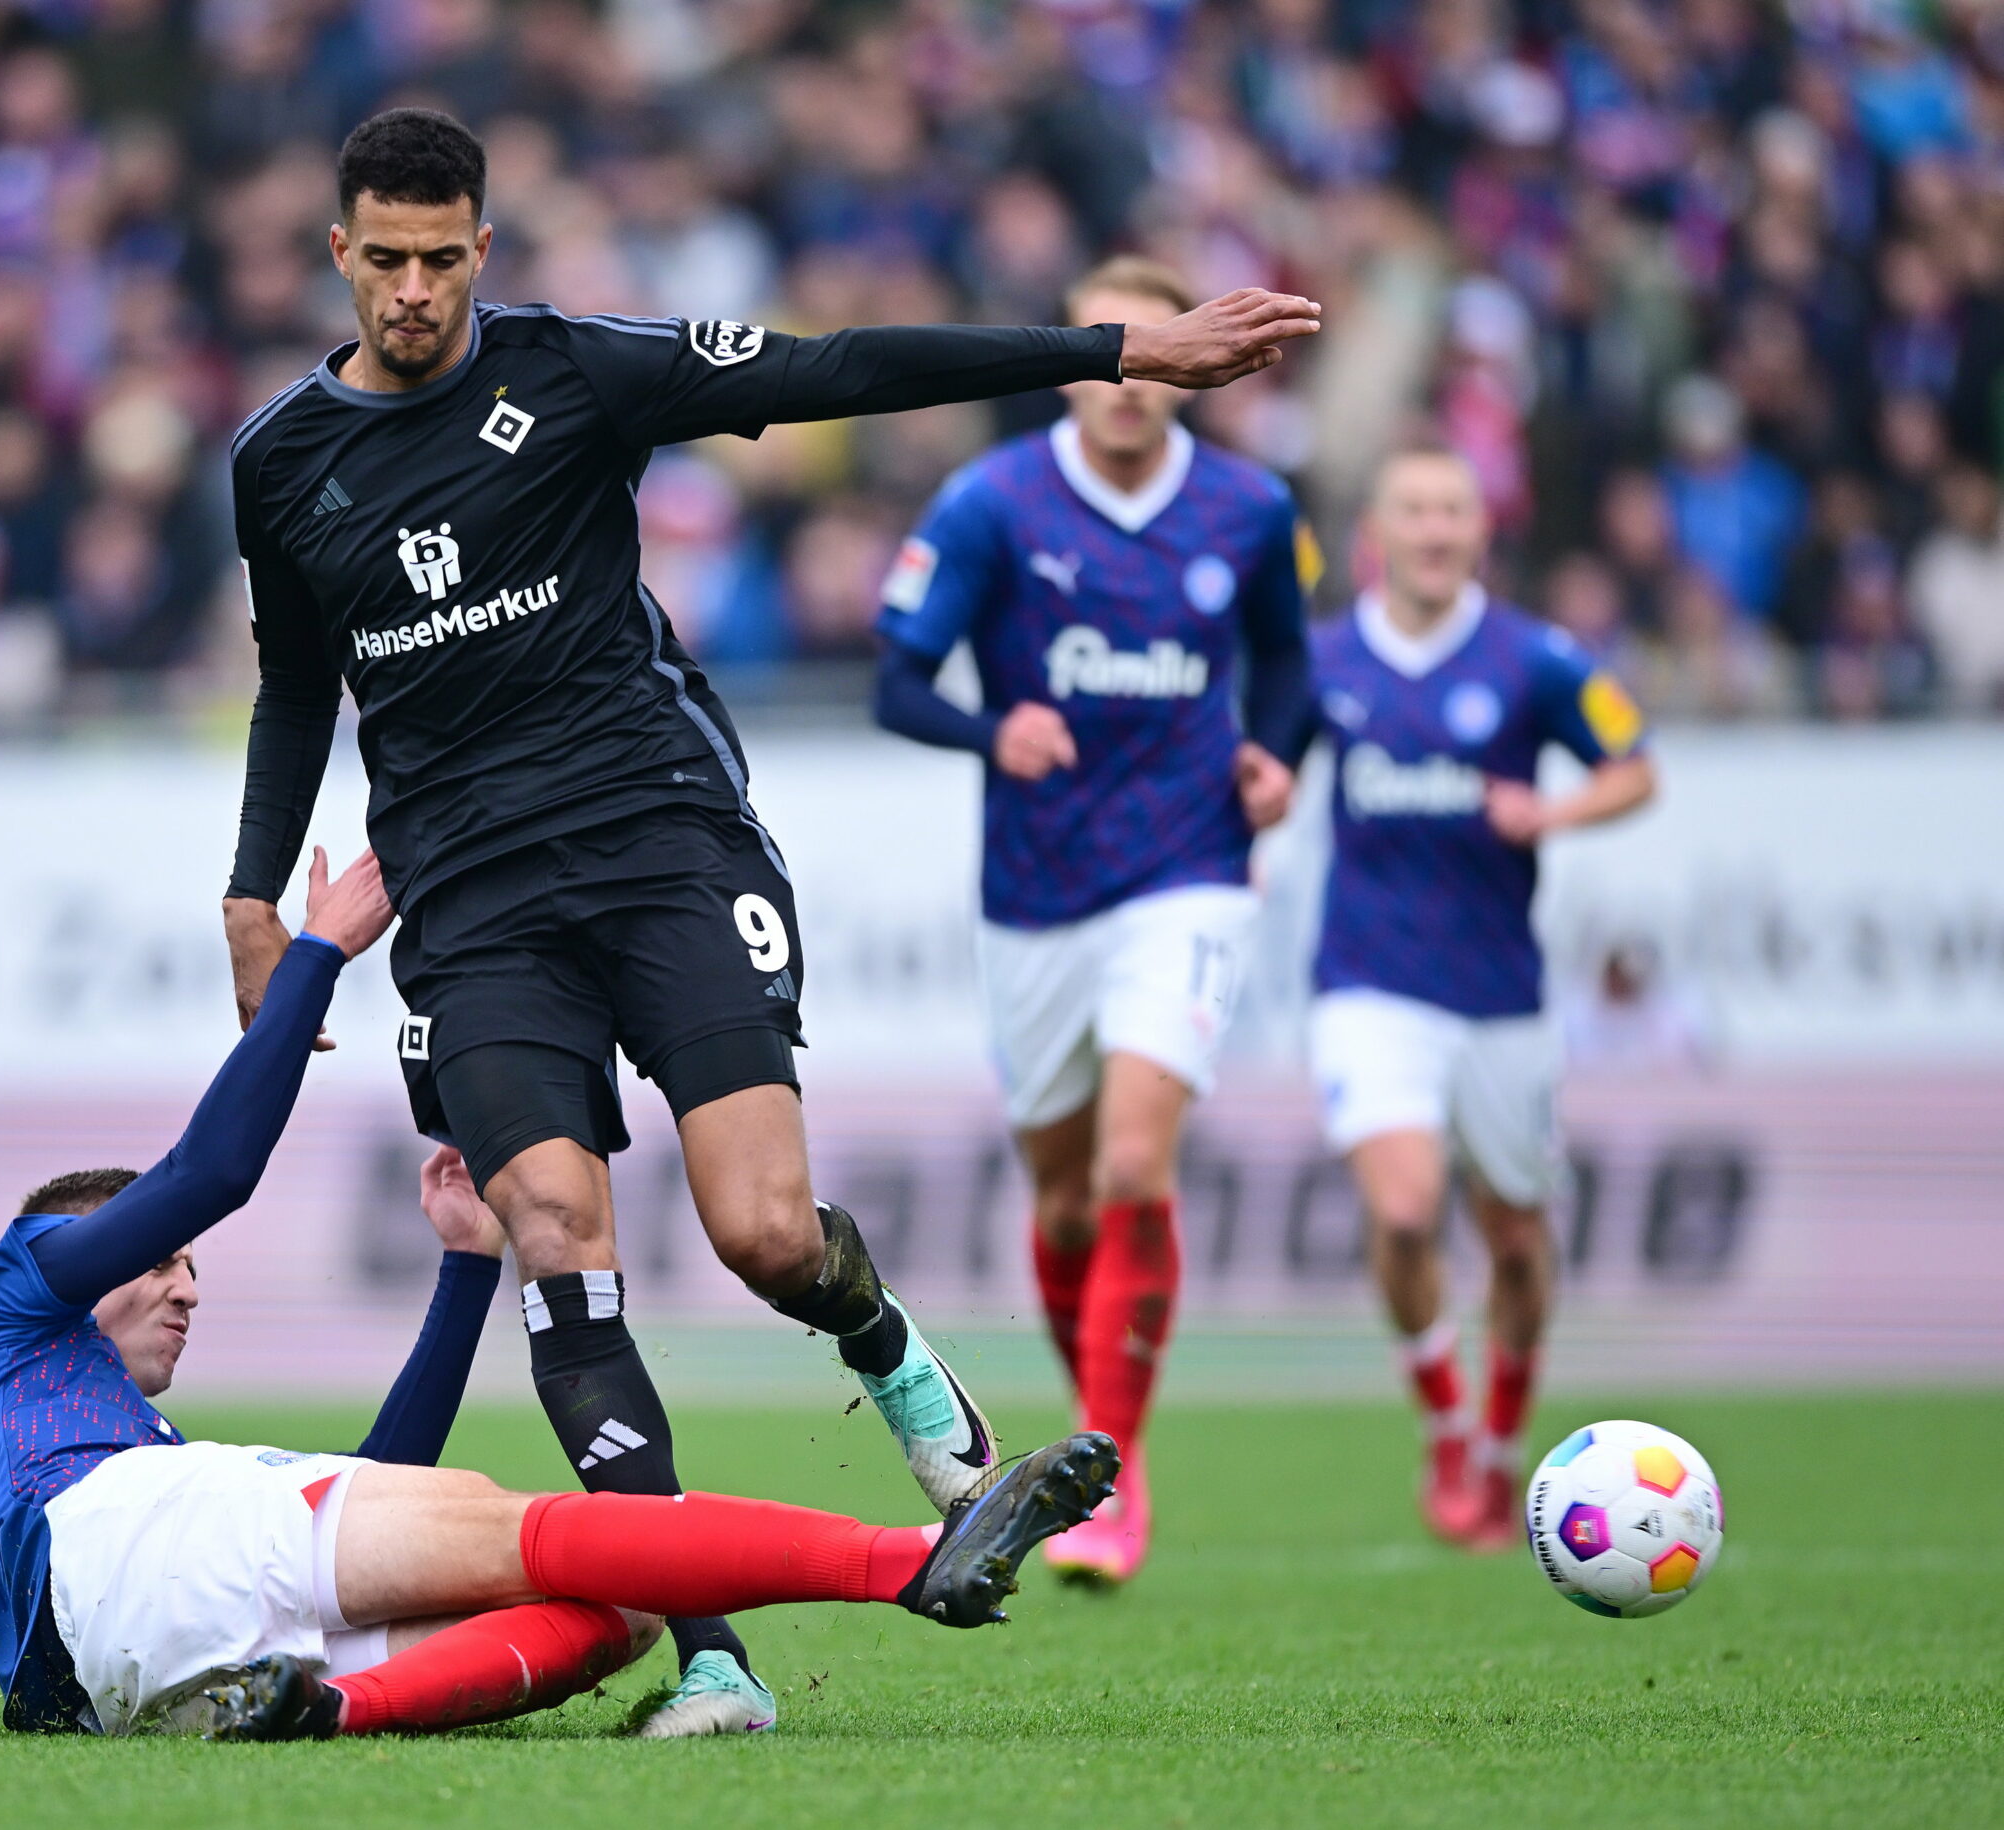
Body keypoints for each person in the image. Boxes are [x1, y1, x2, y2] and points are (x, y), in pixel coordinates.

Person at [217, 106, 1318, 1725]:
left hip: (661, 840)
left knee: (762, 1234)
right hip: (468, 900)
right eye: (382, 262)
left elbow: (839, 367)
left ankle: (883, 1347)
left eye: (441, 262)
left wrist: (1117, 343)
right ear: (339, 252)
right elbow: (295, 689)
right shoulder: (282, 460)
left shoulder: (574, 370)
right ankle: (713, 1658)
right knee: (554, 1235)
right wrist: (258, 894)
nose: (412, 294)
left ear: (482, 250)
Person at [0, 842, 1119, 1740]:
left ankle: (324, 1711)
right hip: (118, 1560)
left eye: (189, 1270)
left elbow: (371, 1481)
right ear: (67, 1252)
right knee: (541, 1530)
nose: (185, 1291)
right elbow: (213, 1171)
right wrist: (319, 954)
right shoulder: (4, 1298)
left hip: (103, 1674)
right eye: (157, 1263)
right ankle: (913, 1558)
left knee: (627, 1610)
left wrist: (464, 1265)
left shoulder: (98, 1430)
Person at [868, 257, 1316, 1587]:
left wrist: (1277, 751)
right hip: (1037, 891)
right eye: (1116, 346)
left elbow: (1290, 661)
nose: (1132, 379)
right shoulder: (992, 501)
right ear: (1084, 356)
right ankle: (1101, 1411)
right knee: (1066, 1199)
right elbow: (898, 675)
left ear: (1193, 362)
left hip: (1189, 869)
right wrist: (987, 724)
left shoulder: (1249, 507)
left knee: (1134, 1166)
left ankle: (1113, 1460)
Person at [1305, 445, 1657, 1550]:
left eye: (1451, 510)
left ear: (1479, 529)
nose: (1433, 529)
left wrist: (1551, 816)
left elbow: (1633, 765)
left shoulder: (1533, 660)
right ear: (1379, 530)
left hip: (1500, 995)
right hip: (1365, 982)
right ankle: (1448, 1429)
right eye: (1412, 509)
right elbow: (1253, 762)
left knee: (1512, 1234)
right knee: (1405, 1208)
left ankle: (1504, 1447)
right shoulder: (1322, 660)